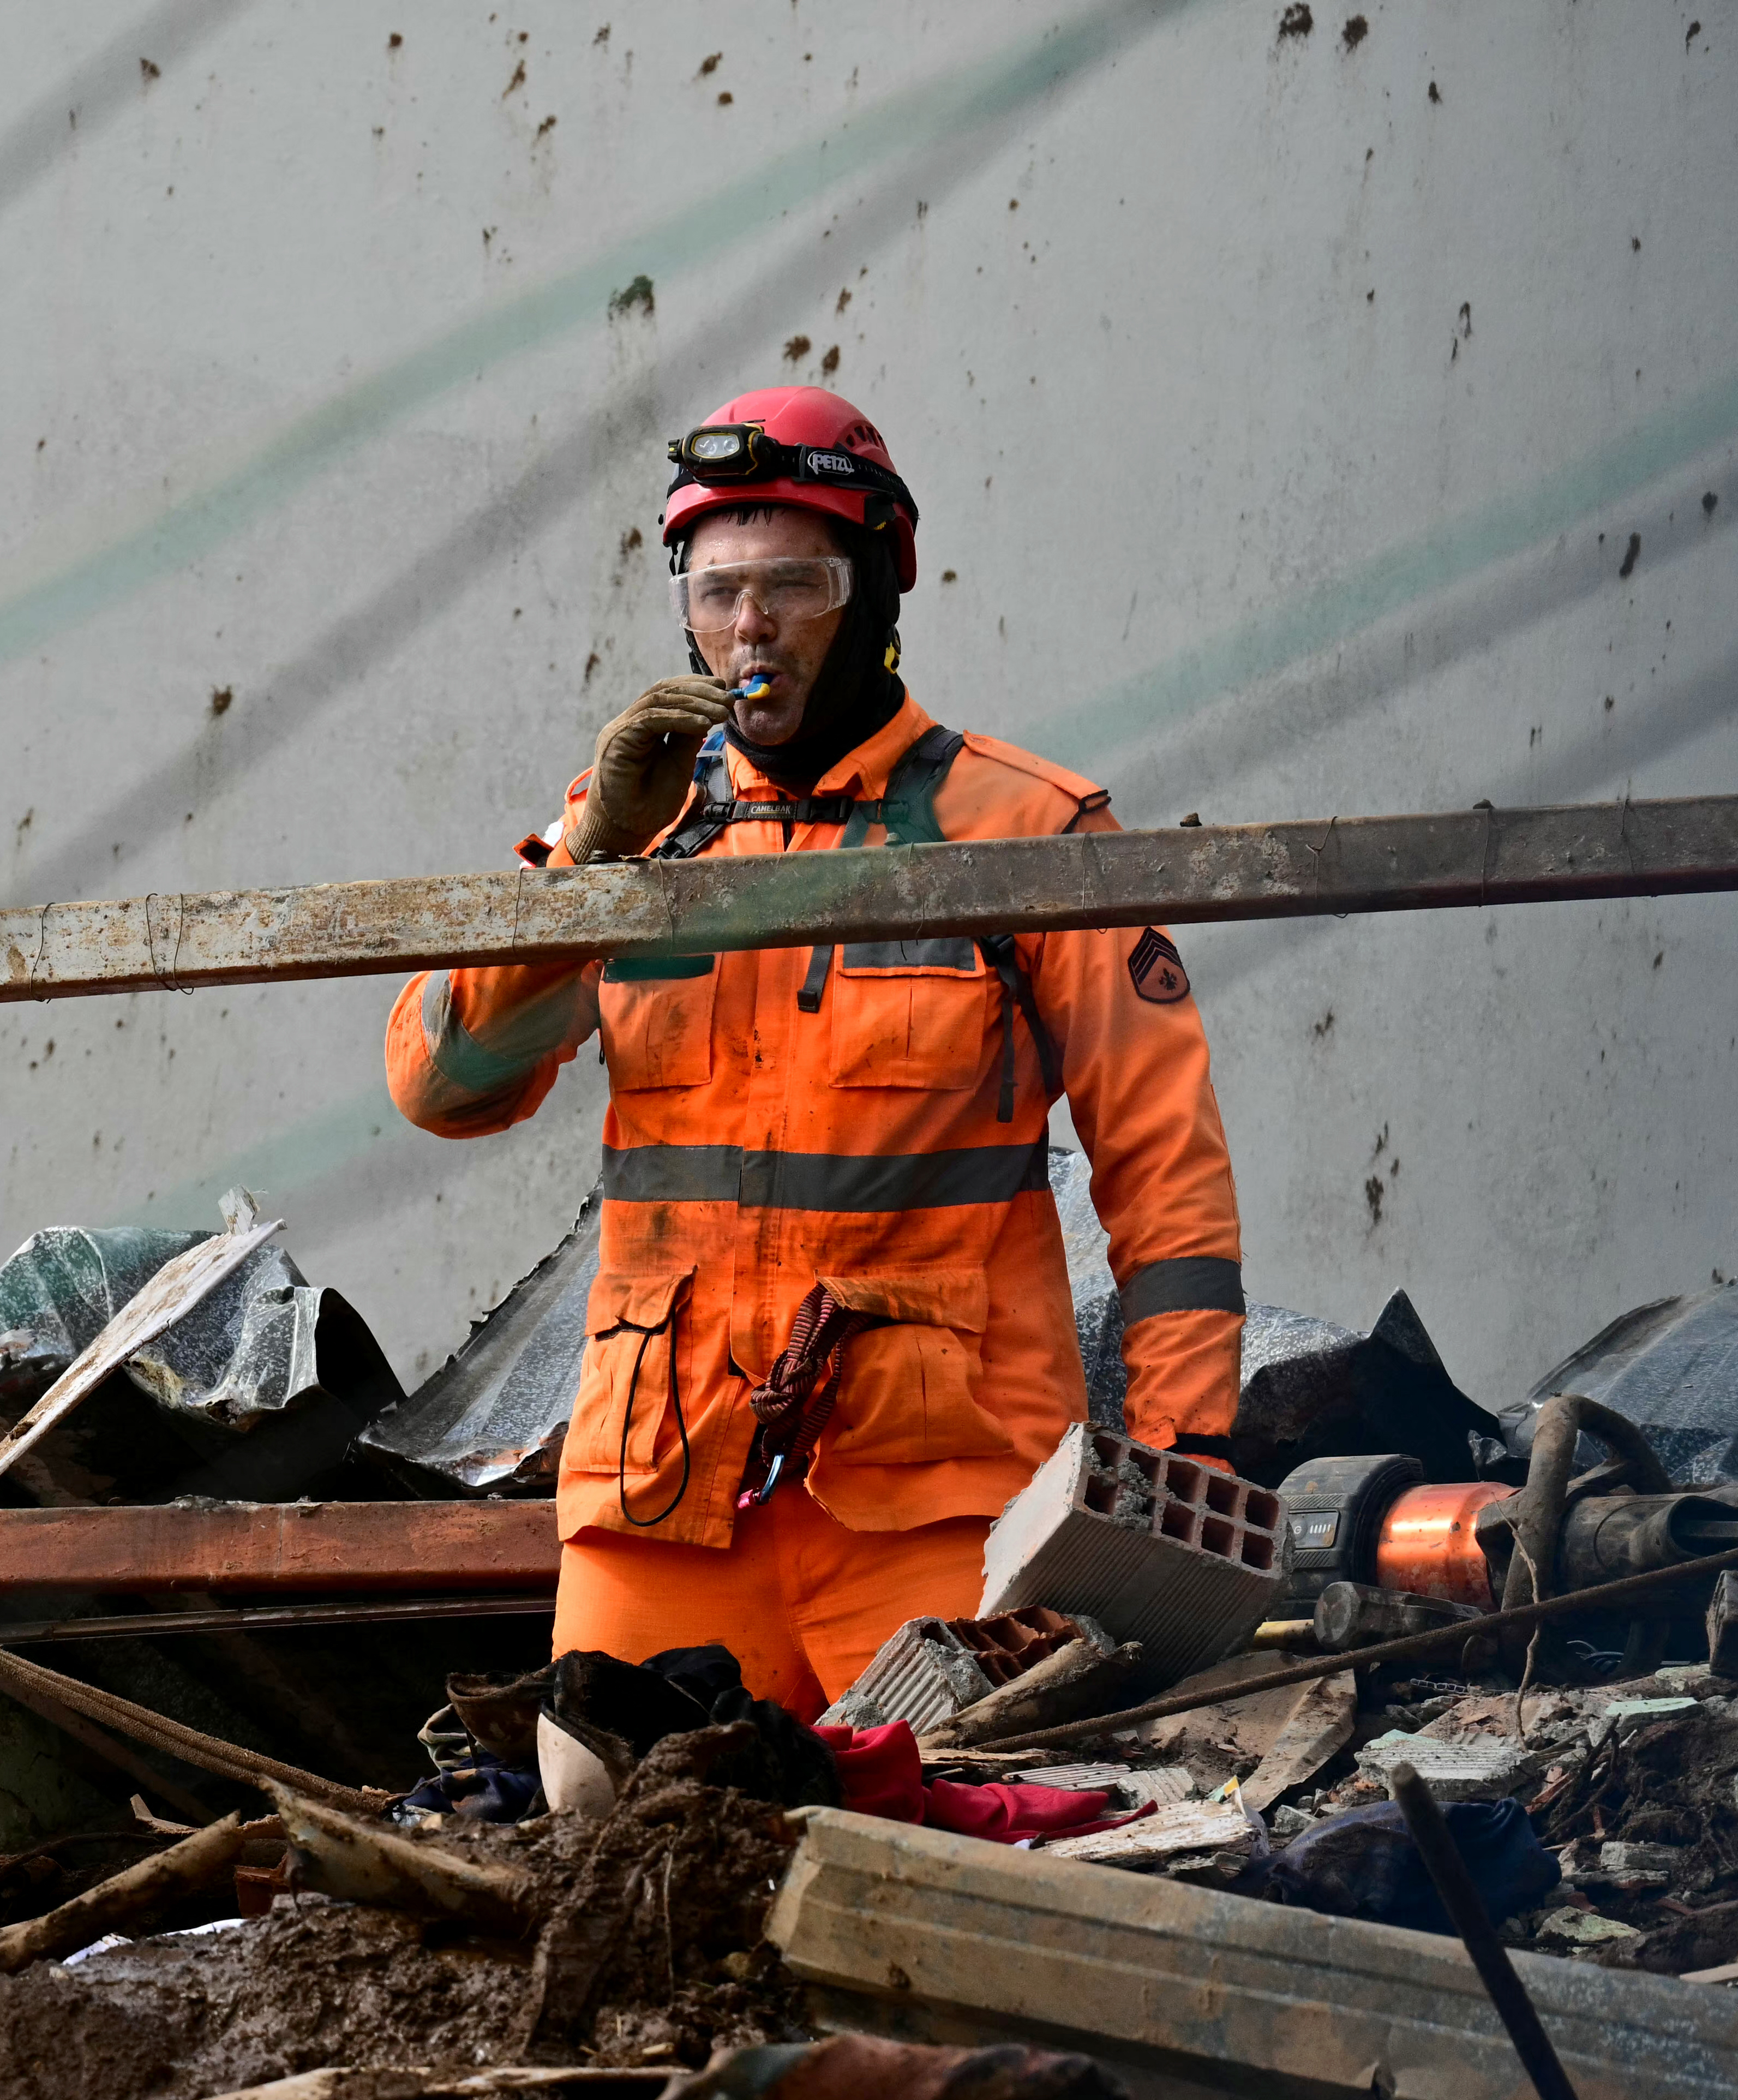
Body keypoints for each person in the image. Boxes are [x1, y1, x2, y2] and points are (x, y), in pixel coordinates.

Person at [384, 386, 1246, 1714]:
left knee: (955, 1820)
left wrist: (1187, 1451)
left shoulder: (1027, 835)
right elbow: (440, 1087)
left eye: (797, 584)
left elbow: (1164, 1170)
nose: (751, 625)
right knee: (614, 1830)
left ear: (878, 590)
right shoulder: (626, 833)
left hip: (940, 1501)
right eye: (717, 590)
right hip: (663, 1500)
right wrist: (585, 866)